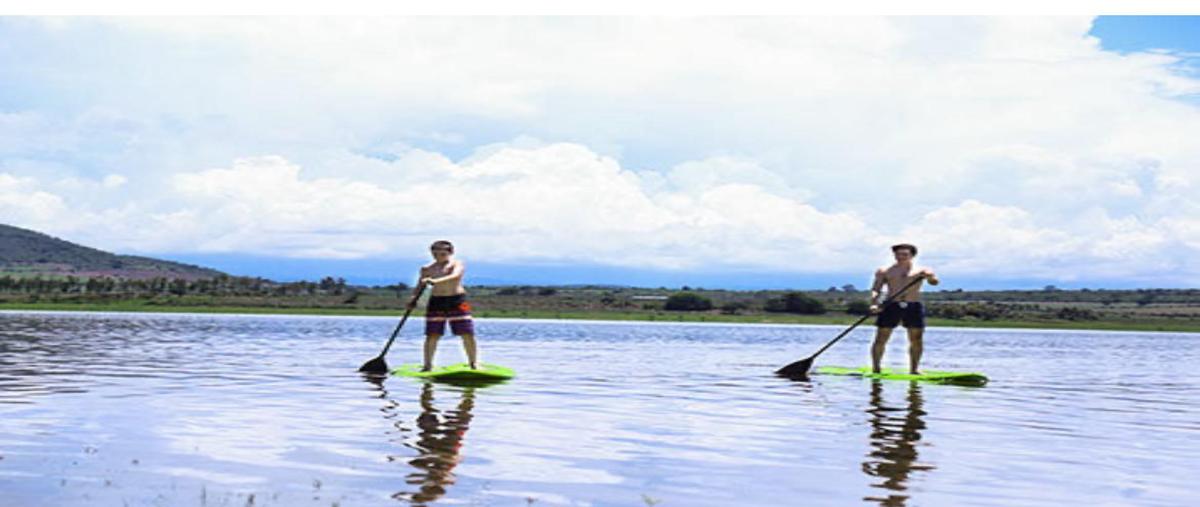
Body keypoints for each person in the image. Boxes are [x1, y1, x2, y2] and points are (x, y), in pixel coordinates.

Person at [869, 243, 939, 375]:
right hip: (891, 305)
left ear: (912, 256)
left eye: (904, 254)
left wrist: (930, 277)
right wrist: (874, 303)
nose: (900, 257)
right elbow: (876, 289)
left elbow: (934, 282)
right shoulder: (884, 271)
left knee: (916, 339)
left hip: (913, 305)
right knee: (881, 337)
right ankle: (876, 368)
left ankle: (914, 369)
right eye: (898, 254)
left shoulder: (921, 270)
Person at [410, 240, 478, 371]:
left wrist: (435, 281)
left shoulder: (456, 264)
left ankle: (473, 363)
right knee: (432, 334)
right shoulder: (426, 269)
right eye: (435, 253)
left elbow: (455, 276)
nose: (438, 256)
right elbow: (420, 286)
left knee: (467, 332)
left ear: (450, 252)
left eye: (442, 253)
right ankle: (427, 365)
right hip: (436, 301)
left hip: (457, 301)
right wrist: (413, 299)